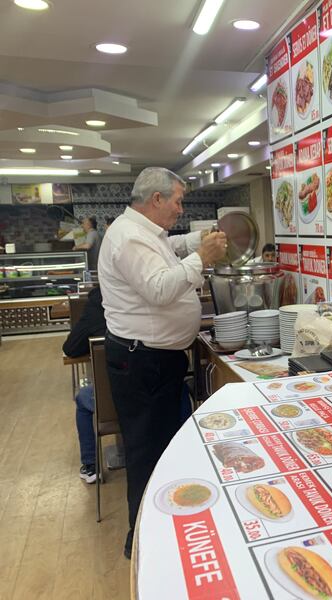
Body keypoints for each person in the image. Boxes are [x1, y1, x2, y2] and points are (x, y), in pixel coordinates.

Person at [98, 167, 227, 558]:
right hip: (143, 362)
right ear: (156, 200)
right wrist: (201, 258)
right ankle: (140, 543)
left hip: (155, 359)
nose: (180, 208)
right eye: (177, 200)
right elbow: (158, 289)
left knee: (167, 448)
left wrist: (194, 241)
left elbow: (168, 247)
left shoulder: (143, 232)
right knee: (147, 451)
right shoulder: (128, 238)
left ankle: (166, 530)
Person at [62, 286, 107, 484]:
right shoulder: (148, 299)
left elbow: (71, 348)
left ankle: (90, 465)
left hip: (112, 400)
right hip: (152, 391)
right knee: (180, 387)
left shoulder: (98, 306)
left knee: (83, 398)